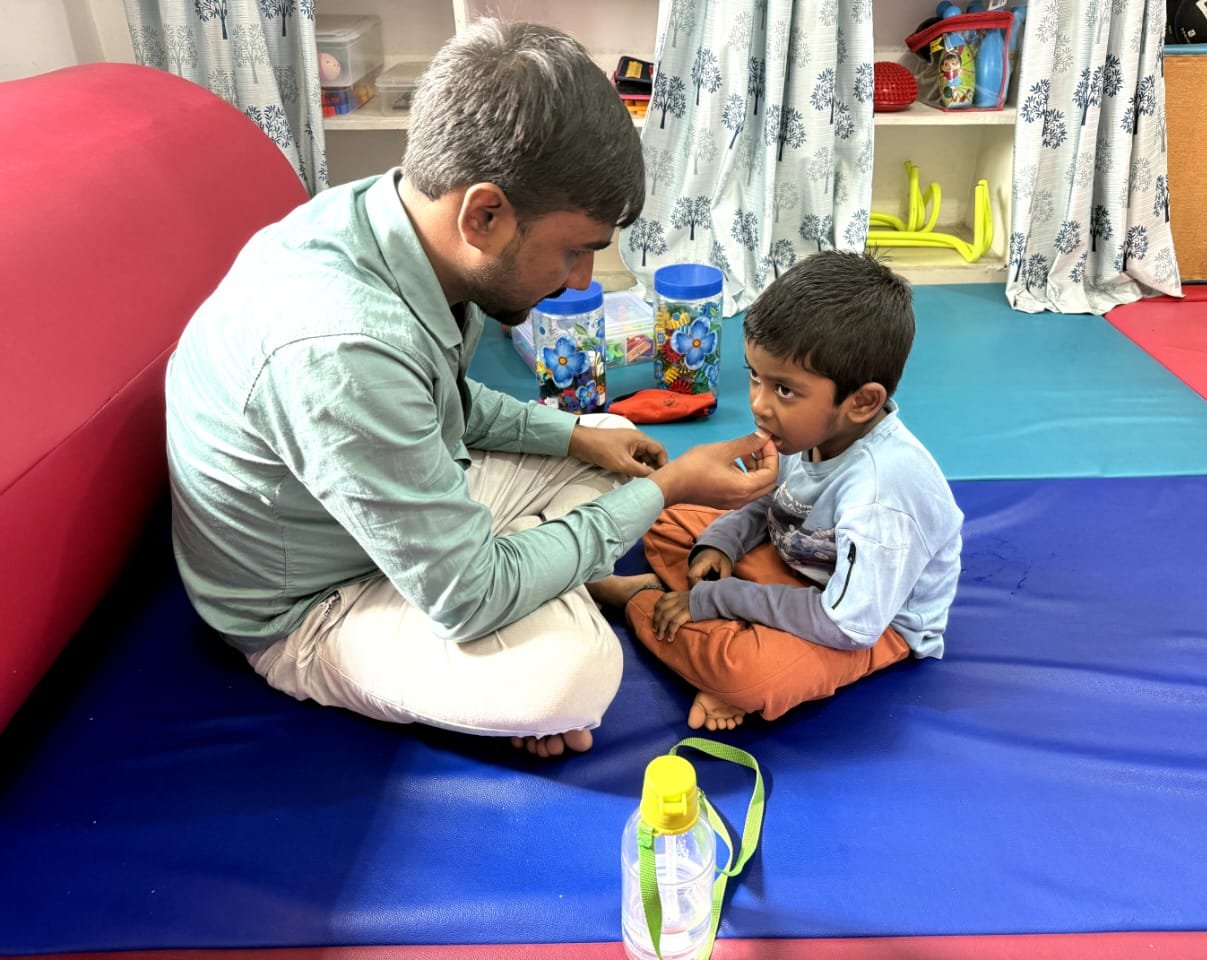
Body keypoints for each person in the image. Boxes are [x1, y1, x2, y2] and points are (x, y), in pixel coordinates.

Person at [164, 19, 778, 759]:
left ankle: (536, 573)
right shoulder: (342, 348)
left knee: (613, 440)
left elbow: (446, 400)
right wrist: (669, 488)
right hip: (316, 601)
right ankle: (540, 594)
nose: (580, 281)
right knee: (575, 676)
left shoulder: (403, 222)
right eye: (574, 251)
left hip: (382, 514)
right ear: (484, 214)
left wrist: (577, 438)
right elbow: (466, 598)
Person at [591, 251, 963, 731]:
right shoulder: (808, 429)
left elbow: (848, 626)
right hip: (798, 562)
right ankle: (715, 612)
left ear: (862, 402)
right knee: (667, 509)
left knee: (746, 676)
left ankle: (638, 600)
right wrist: (720, 543)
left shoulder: (881, 497)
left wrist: (717, 599)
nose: (759, 405)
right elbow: (775, 502)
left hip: (866, 622)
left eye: (784, 390)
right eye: (754, 376)